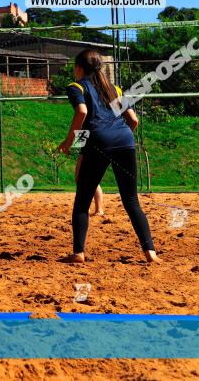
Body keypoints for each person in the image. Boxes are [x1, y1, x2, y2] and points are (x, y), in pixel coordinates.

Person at [57, 49, 159, 264]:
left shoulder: (77, 87)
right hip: (124, 140)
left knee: (82, 200)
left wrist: (68, 143)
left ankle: (78, 253)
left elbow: (83, 113)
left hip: (98, 142)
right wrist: (118, 140)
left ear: (79, 68)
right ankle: (150, 253)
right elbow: (134, 120)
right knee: (131, 200)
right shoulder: (113, 89)